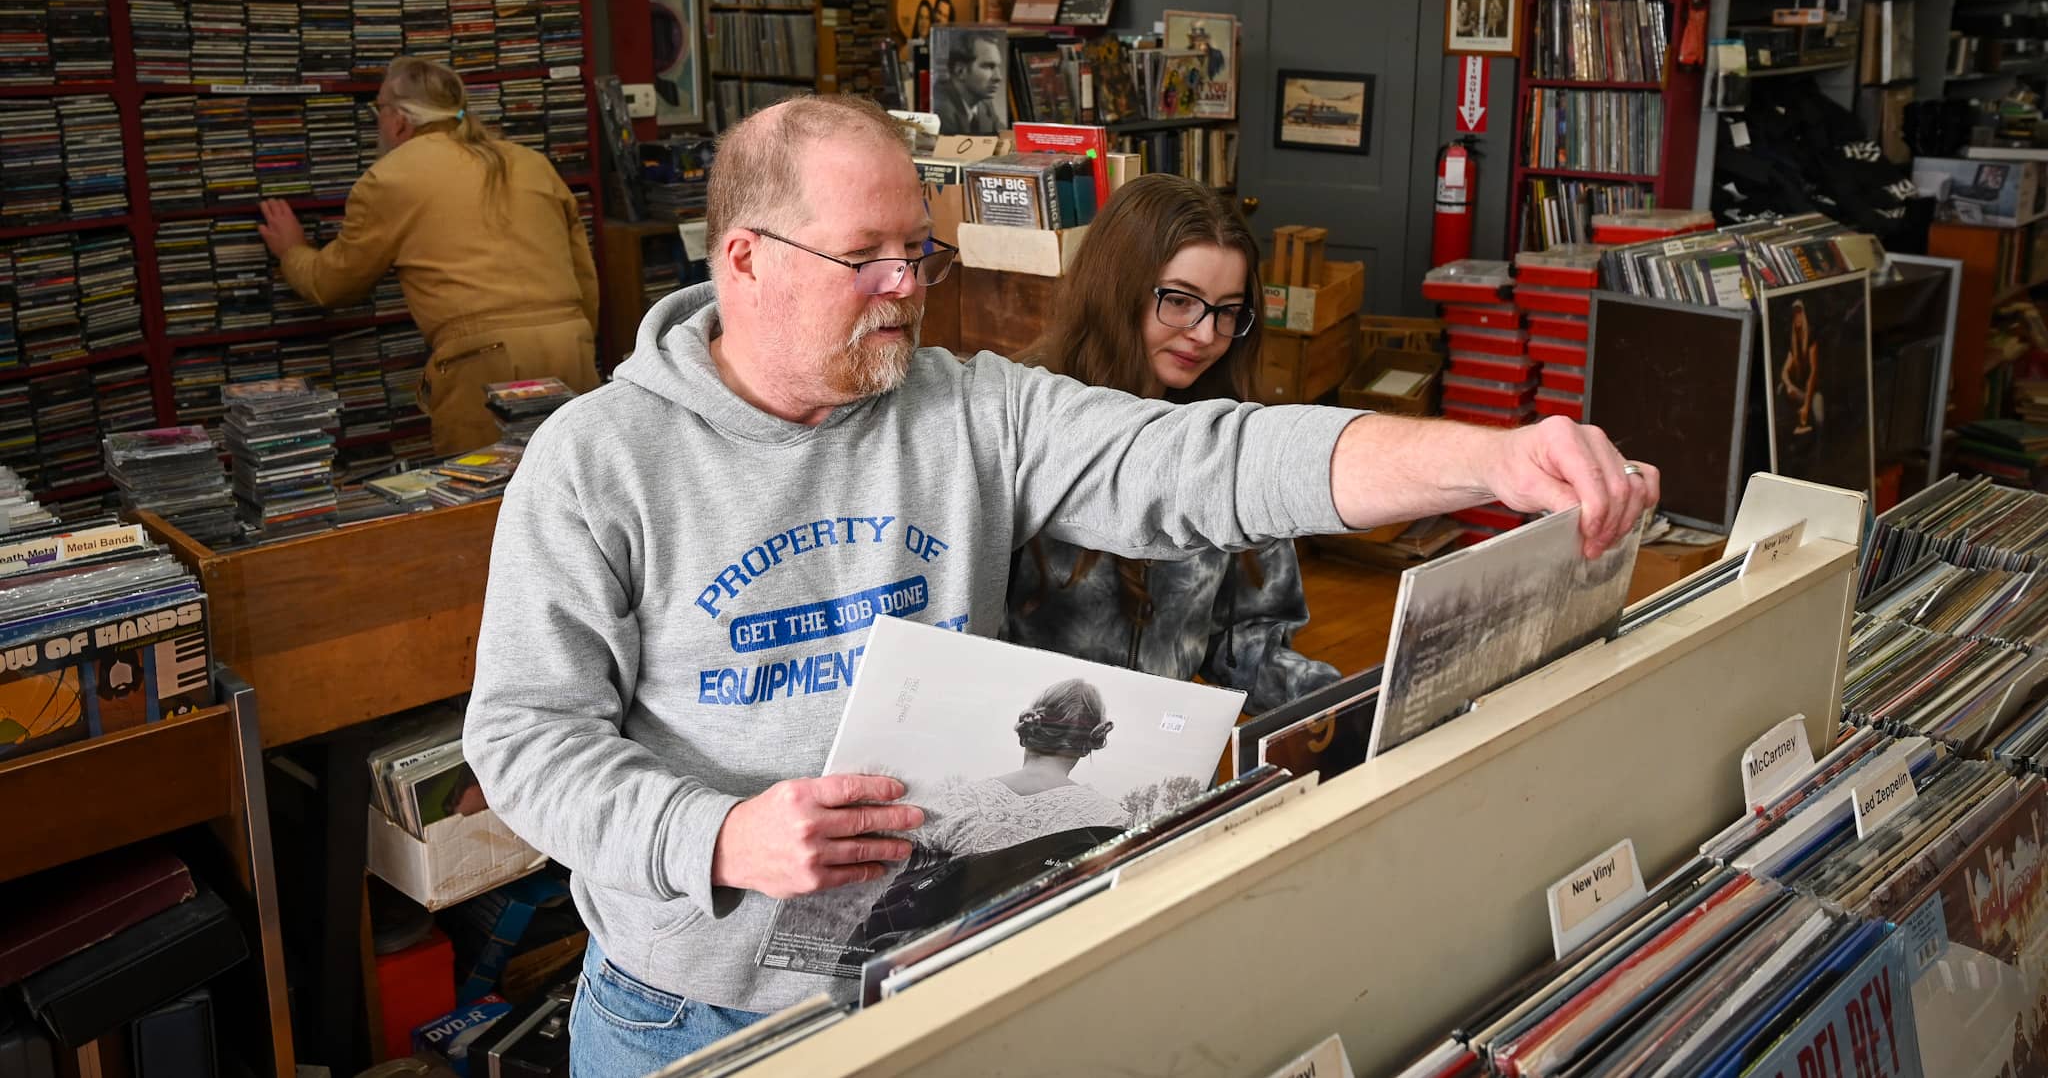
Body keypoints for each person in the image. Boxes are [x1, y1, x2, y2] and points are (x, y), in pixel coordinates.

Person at [462, 94, 1658, 1073]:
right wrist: (714, 831)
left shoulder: (968, 405)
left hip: (931, 976)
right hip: (692, 1012)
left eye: (916, 249)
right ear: (747, 261)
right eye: (864, 255)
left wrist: (1490, 456)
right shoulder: (598, 458)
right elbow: (522, 736)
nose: (907, 284)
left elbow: (1207, 457)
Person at [1007, 175, 1336, 714]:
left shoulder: (1229, 438)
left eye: (1227, 311)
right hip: (1024, 754)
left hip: (1168, 764)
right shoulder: (1019, 418)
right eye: (1180, 301)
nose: (1206, 335)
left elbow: (1243, 644)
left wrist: (1354, 702)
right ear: (1119, 288)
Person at [255, 56, 601, 455]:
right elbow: (584, 276)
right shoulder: (533, 163)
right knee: (581, 493)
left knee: (487, 505)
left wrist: (291, 250)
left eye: (379, 109)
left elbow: (332, 284)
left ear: (399, 120)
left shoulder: (390, 178)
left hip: (482, 366)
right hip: (571, 350)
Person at [842, 678, 1128, 962]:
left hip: (927, 967)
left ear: (1029, 731)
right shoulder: (1109, 820)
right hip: (1037, 966)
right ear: (1088, 744)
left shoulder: (955, 804)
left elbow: (898, 899)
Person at [932, 31, 1003, 135]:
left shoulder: (984, 105)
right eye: (988, 66)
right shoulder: (941, 109)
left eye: (997, 67)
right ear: (960, 71)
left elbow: (1004, 137)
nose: (998, 77)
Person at [1779, 299, 1822, 436]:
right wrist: (1789, 385)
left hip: (1813, 391)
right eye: (1794, 314)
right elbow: (1785, 370)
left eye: (1799, 313)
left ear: (1804, 315)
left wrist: (1806, 406)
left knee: (1819, 414)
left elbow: (1813, 374)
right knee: (1782, 388)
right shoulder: (1794, 340)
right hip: (1801, 392)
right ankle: (1795, 426)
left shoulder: (1811, 336)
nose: (1797, 317)